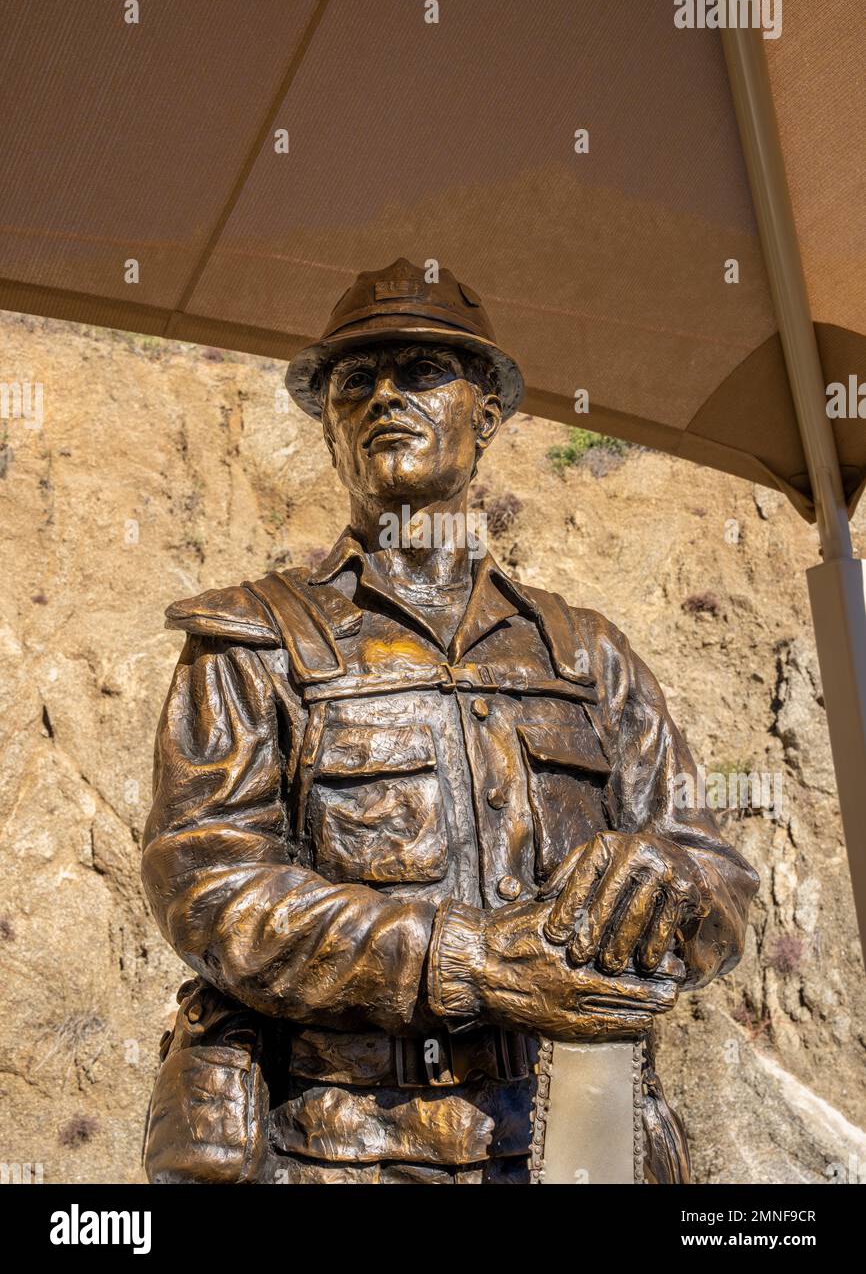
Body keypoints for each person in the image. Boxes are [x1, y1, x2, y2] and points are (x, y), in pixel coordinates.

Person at [141, 258, 758, 1184]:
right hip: (341, 1155)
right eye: (355, 381)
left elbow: (722, 885)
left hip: (575, 1147)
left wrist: (668, 881)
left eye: (423, 372)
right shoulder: (250, 644)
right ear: (330, 427)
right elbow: (210, 886)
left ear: (488, 413)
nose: (386, 394)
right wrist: (471, 960)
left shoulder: (587, 655)